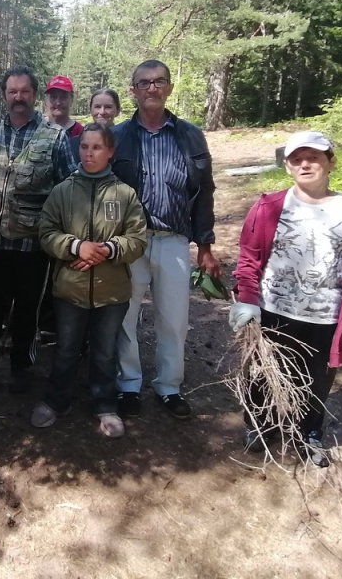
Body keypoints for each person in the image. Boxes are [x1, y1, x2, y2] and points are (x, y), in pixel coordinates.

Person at [230, 131, 342, 467]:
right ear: (287, 166)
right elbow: (248, 258)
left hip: (326, 317)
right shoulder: (269, 207)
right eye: (297, 159)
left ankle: (308, 433)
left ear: (330, 162)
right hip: (272, 310)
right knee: (261, 372)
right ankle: (260, 424)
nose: (305, 164)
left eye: (313, 157)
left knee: (316, 380)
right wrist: (246, 299)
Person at [112, 59, 219, 420]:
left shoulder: (190, 135)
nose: (152, 88)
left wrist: (205, 245)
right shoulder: (119, 136)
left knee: (173, 319)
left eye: (159, 82)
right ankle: (128, 384)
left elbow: (204, 192)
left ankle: (169, 386)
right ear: (134, 91)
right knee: (124, 316)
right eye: (144, 83)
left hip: (174, 240)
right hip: (131, 241)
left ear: (170, 88)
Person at [0, 67, 77, 394]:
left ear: (34, 95)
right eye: (12, 91)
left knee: (27, 308)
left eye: (24, 91)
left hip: (33, 243)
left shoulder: (55, 136)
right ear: (4, 96)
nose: (18, 97)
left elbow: (70, 188)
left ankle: (21, 365)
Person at [32, 123, 148, 437]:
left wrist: (108, 249)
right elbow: (46, 232)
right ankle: (57, 401)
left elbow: (137, 239)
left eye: (97, 147)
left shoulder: (125, 194)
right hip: (70, 289)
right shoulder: (63, 191)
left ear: (110, 151)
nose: (89, 153)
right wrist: (75, 246)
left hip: (112, 293)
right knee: (67, 348)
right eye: (84, 147)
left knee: (105, 350)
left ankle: (105, 405)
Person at [44, 76, 84, 143]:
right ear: (46, 100)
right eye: (53, 97)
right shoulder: (36, 127)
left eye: (63, 97)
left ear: (72, 99)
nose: (58, 102)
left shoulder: (80, 132)